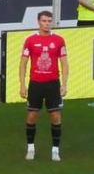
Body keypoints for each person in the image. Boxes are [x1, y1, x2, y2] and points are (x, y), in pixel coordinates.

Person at [20, 9, 68, 162]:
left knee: (55, 116)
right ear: (38, 22)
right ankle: (30, 148)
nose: (47, 24)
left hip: (53, 84)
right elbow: (23, 63)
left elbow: (64, 63)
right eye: (44, 21)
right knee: (32, 116)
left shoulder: (59, 40)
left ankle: (55, 150)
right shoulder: (30, 40)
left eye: (49, 21)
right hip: (36, 84)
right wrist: (22, 85)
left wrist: (64, 84)